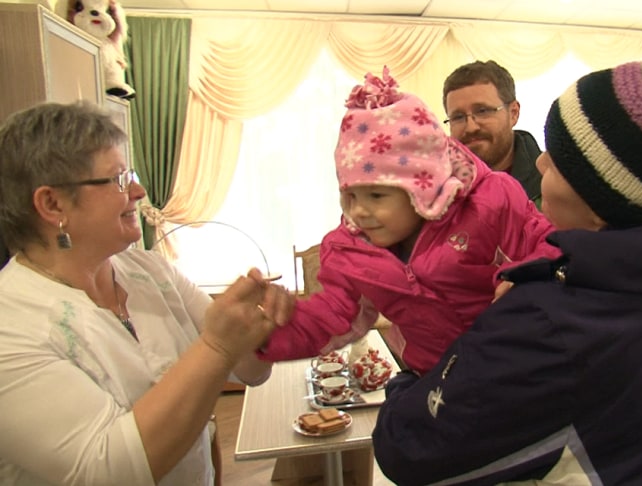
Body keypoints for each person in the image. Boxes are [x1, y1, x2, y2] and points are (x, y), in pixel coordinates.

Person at [373, 61, 642, 484]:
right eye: (456, 116)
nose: (545, 160)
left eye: (564, 160)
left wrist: (405, 382)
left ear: (605, 198)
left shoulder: (550, 320)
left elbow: (406, 447)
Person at [0, 101, 291, 486]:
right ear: (53, 204)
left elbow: (249, 370)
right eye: (118, 179)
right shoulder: (11, 325)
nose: (138, 190)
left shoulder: (149, 271)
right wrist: (218, 345)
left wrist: (265, 327)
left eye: (131, 174)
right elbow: (107, 471)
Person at [257, 67, 560, 375]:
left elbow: (550, 244)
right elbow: (332, 316)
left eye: (376, 196)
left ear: (421, 188)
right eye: (351, 197)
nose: (359, 212)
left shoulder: (490, 202)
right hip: (429, 378)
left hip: (509, 367)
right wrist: (270, 333)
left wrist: (528, 279)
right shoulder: (351, 250)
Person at [443, 60, 544, 209]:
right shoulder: (436, 192)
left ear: (513, 113)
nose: (471, 127)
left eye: (483, 111)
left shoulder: (555, 185)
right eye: (458, 117)